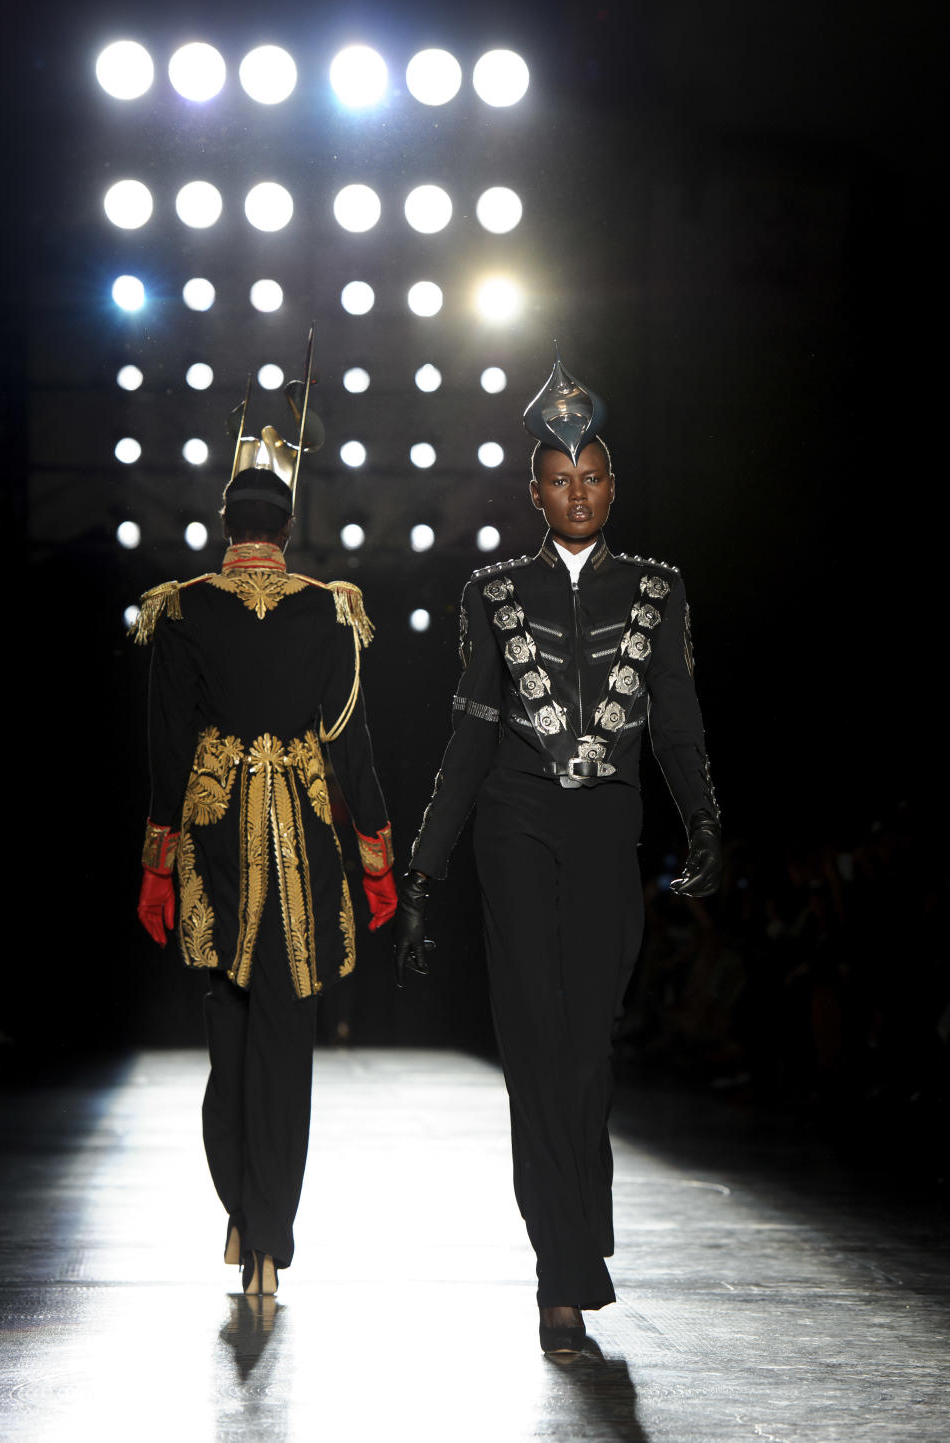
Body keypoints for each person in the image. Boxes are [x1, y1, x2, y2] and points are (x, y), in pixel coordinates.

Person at [393, 349, 721, 1353]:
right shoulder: (492, 592)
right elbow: (469, 734)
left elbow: (675, 725)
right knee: (537, 1051)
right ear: (535, 492)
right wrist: (425, 866)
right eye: (558, 479)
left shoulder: (658, 592)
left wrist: (705, 819)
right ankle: (562, 1276)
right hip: (513, 829)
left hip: (606, 831)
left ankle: (578, 1241)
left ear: (609, 487)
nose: (576, 493)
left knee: (586, 1054)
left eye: (591, 478)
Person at [132, 382, 396, 1296]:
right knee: (289, 1037)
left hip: (211, 838)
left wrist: (158, 863)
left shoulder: (181, 607)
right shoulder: (330, 607)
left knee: (229, 1033)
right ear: (286, 525)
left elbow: (169, 748)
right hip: (303, 847)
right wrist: (374, 854)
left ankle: (242, 1213)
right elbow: (350, 742)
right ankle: (272, 1239)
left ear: (224, 521)